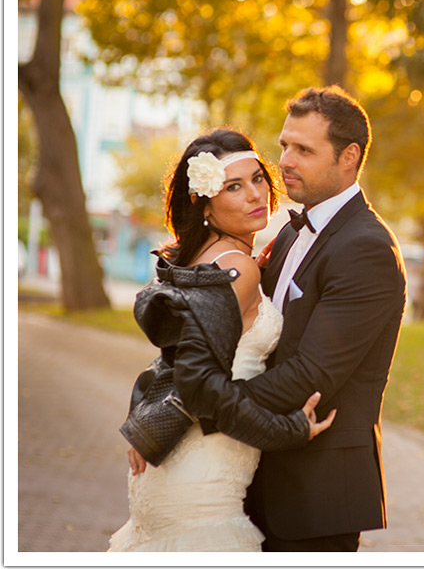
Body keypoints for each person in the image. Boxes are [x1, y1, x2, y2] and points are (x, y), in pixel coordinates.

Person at [108, 129, 336, 552]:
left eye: (257, 178)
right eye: (233, 186)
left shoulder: (207, 259)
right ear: (206, 205)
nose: (254, 194)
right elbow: (198, 384)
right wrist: (287, 430)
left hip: (183, 465)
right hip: (203, 479)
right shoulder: (235, 268)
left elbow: (176, 358)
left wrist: (143, 417)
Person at [240, 85, 407, 552]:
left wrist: (206, 406)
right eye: (284, 146)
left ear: (349, 156)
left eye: (304, 150)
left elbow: (311, 375)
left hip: (315, 497)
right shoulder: (294, 233)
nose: (285, 161)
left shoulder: (366, 249)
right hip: (260, 481)